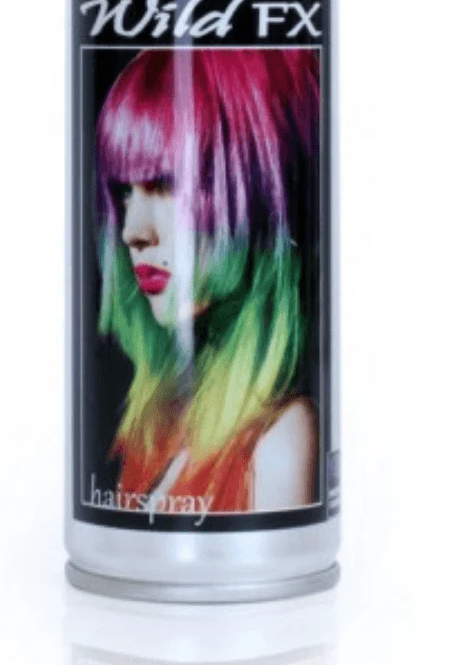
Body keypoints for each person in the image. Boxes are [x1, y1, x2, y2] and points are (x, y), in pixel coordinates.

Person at [94, 48, 321, 512]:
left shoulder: (281, 442)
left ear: (257, 193)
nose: (132, 231)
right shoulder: (158, 422)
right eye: (125, 192)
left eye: (167, 184)